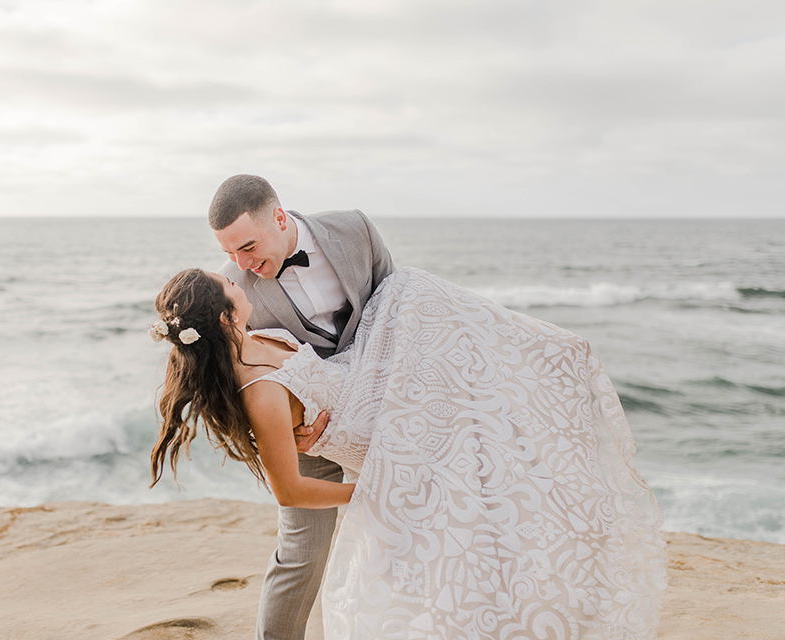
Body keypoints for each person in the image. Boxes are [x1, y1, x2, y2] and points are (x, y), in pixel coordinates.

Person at [149, 269, 667, 637]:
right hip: (375, 441)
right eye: (230, 286)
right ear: (221, 315)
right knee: (469, 492)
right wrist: (373, 491)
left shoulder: (253, 337)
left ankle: (554, 360)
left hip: (377, 403)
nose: (240, 281)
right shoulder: (256, 391)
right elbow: (290, 488)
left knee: (417, 301)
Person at [206, 174, 395, 640]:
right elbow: (235, 376)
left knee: (406, 534)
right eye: (229, 253)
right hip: (309, 434)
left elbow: (397, 312)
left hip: (386, 414)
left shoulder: (356, 230)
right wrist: (283, 428)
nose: (241, 263)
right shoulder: (233, 287)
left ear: (278, 215)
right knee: (301, 556)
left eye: (248, 247)